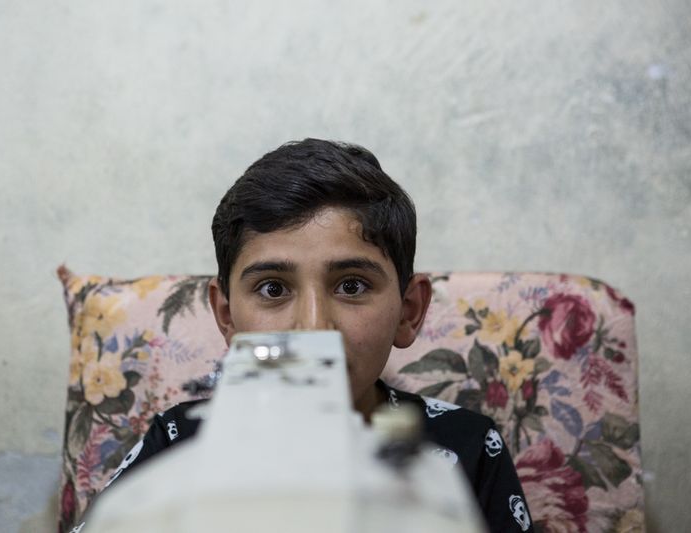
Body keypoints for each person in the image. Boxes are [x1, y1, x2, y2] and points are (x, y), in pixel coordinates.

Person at [72, 138, 533, 533]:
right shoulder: (177, 440)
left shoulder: (468, 447)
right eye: (273, 289)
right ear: (227, 317)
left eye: (352, 286)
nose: (313, 328)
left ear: (408, 312)